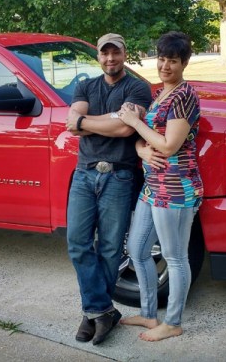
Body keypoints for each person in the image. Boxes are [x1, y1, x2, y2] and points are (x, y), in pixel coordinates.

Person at [65, 33, 152, 345]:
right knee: (77, 242)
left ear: (124, 54)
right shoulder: (86, 85)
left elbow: (126, 127)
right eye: (105, 54)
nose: (110, 59)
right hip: (84, 174)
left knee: (111, 248)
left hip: (120, 175)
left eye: (116, 53)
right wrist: (104, 120)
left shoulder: (137, 87)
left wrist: (85, 121)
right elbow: (70, 122)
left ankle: (92, 313)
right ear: (98, 57)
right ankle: (101, 310)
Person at [117, 31, 203, 342]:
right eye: (162, 58)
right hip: (153, 187)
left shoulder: (183, 97)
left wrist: (135, 122)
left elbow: (168, 146)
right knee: (138, 250)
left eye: (173, 61)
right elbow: (149, 140)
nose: (165, 66)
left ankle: (174, 321)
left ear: (184, 64)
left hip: (177, 190)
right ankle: (150, 315)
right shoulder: (161, 94)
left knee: (176, 256)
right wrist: (140, 150)